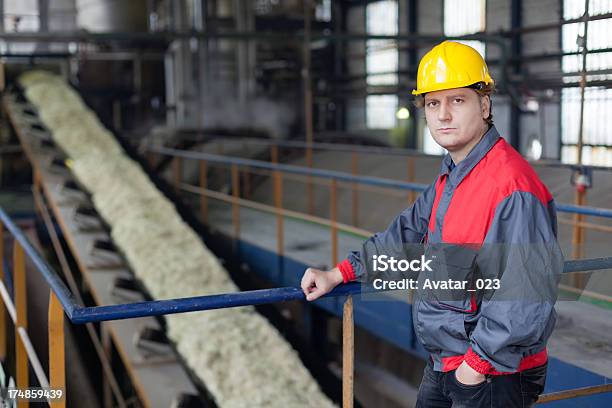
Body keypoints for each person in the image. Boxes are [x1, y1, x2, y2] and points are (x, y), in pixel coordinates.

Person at [300, 41, 562, 408]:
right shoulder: (453, 175)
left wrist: (476, 365)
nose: (443, 115)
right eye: (433, 103)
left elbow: (526, 291)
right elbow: (404, 235)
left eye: (457, 100)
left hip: (492, 372)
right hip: (448, 359)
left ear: (484, 105)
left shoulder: (510, 186)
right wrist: (340, 273)